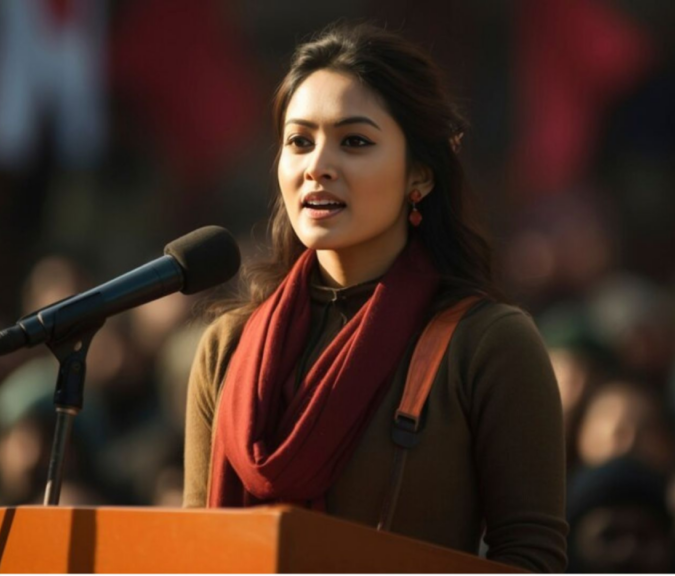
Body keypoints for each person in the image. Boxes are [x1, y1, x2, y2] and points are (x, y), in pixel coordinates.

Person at [182, 22, 566, 571]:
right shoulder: (228, 348)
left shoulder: (487, 344)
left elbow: (534, 557)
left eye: (355, 141)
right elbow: (193, 553)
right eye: (299, 141)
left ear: (421, 175)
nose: (318, 166)